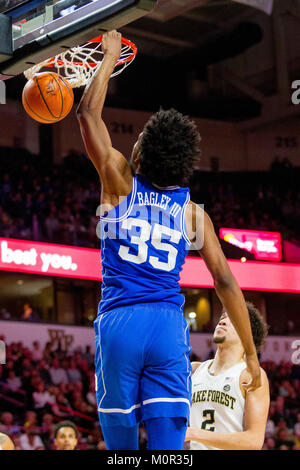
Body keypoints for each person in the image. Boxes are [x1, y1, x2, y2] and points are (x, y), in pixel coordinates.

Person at [76, 30, 261, 450]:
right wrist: (251, 354)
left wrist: (107, 58)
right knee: (168, 451)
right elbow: (226, 283)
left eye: (139, 137)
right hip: (167, 328)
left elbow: (87, 116)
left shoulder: (119, 180)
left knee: (121, 447)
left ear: (141, 154)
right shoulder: (193, 214)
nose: (134, 139)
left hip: (120, 323)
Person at [185, 302, 270, 450]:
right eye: (223, 316)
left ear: (246, 332)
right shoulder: (194, 369)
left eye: (232, 319)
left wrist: (194, 433)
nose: (222, 321)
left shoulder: (250, 375)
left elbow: (254, 440)